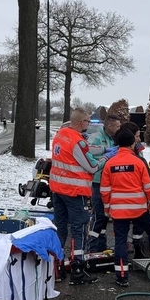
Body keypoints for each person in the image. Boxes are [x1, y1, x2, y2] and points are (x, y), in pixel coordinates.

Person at [100, 126, 150, 286]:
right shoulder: (139, 162)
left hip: (118, 211)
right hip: (139, 209)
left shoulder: (110, 164)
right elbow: (149, 188)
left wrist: (107, 209)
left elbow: (104, 190)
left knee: (120, 242)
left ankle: (122, 276)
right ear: (131, 144)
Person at [49, 107, 99, 284]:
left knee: (60, 227)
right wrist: (104, 159)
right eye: (88, 121)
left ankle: (55, 267)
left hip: (58, 190)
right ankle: (78, 269)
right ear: (81, 123)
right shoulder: (78, 141)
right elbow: (91, 167)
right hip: (74, 192)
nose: (89, 124)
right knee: (79, 229)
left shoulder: (61, 134)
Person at [86, 114, 122, 253]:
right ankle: (93, 247)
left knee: (105, 216)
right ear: (110, 126)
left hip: (110, 182)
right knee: (99, 215)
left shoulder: (113, 139)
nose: (119, 129)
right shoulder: (96, 138)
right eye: (117, 126)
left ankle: (101, 246)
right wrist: (105, 153)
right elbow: (88, 153)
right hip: (98, 182)